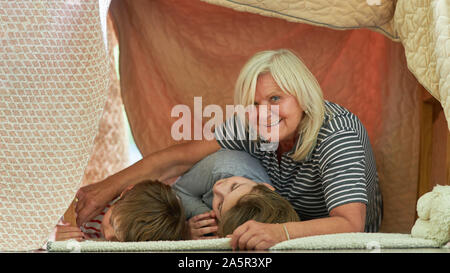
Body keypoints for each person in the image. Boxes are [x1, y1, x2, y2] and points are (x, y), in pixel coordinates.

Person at [75, 49, 383, 250]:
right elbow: (177, 159)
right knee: (224, 163)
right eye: (254, 103)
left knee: (230, 170)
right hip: (265, 216)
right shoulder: (254, 124)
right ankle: (193, 238)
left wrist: (280, 234)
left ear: (303, 96)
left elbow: (350, 224)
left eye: (276, 99)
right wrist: (105, 188)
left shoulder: (338, 134)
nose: (264, 112)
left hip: (333, 235)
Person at [172, 149, 299, 239]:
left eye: (220, 205)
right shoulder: (223, 169)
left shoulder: (234, 220)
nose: (218, 188)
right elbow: (179, 190)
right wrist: (205, 217)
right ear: (266, 186)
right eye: (235, 186)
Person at [54, 180, 189, 242]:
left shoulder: (137, 237)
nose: (107, 235)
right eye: (112, 223)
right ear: (124, 193)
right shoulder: (90, 204)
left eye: (116, 240)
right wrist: (50, 237)